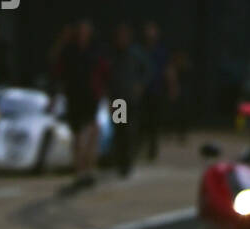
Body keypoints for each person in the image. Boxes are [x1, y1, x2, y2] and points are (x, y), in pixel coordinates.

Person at [53, 19, 106, 190]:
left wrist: (104, 93)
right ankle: (80, 171)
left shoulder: (94, 51)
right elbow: (57, 68)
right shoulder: (68, 51)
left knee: (92, 130)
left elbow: (103, 71)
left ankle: (89, 169)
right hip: (74, 96)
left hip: (91, 96)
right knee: (77, 136)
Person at [107, 23, 150, 178]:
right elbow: (110, 78)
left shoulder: (135, 54)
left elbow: (146, 71)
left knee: (130, 131)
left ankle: (127, 162)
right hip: (119, 100)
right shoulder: (113, 55)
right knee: (120, 130)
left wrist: (140, 86)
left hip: (131, 99)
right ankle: (120, 162)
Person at [138, 22, 168, 161]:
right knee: (133, 121)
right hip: (135, 94)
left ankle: (151, 149)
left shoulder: (160, 51)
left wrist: (171, 86)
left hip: (154, 91)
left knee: (153, 122)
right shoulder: (139, 51)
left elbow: (167, 69)